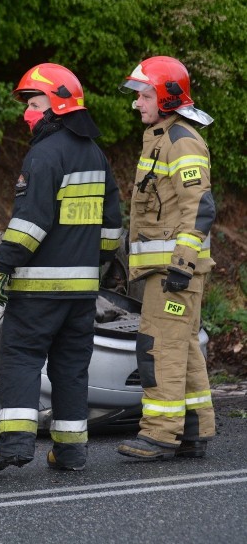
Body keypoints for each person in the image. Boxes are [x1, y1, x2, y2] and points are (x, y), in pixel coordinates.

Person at [0, 63, 122, 472]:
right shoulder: (95, 155)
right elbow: (112, 225)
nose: (28, 111)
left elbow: (30, 223)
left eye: (34, 102)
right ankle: (71, 452)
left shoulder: (43, 155)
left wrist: (3, 266)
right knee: (71, 369)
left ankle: (16, 447)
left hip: (37, 290)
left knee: (20, 359)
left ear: (57, 105)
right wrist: (101, 265)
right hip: (80, 294)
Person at [116, 56, 216, 461]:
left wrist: (182, 262)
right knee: (183, 346)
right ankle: (194, 430)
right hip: (168, 269)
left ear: (165, 96)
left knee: (160, 347)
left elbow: (200, 207)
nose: (136, 104)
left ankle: (159, 433)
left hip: (175, 272)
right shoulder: (161, 137)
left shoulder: (181, 140)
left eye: (143, 95)